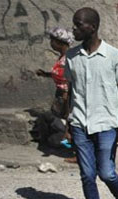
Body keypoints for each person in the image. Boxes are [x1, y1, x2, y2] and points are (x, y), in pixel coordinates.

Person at [64, 7, 118, 199]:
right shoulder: (72, 57)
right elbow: (70, 90)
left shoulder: (113, 55)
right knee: (87, 175)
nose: (74, 29)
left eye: (78, 25)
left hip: (106, 124)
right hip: (80, 123)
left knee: (106, 172)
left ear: (92, 27)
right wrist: (68, 121)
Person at [36, 27, 76, 161]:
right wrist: (46, 74)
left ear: (60, 42)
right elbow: (60, 75)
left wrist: (66, 96)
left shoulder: (69, 59)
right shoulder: (63, 57)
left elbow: (70, 79)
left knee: (68, 123)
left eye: (52, 41)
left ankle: (74, 149)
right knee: (57, 121)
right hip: (60, 95)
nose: (51, 43)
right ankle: (63, 143)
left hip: (65, 95)